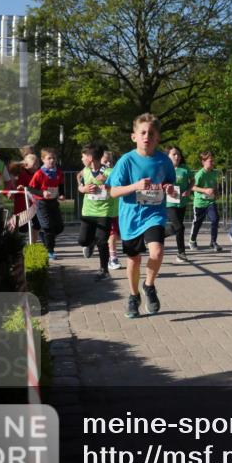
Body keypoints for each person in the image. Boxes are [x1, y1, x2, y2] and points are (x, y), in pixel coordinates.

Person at [107, 113, 177, 319]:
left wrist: (170, 188)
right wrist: (135, 186)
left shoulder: (164, 161)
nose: (147, 136)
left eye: (151, 133)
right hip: (131, 217)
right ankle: (133, 295)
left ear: (157, 138)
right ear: (134, 136)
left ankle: (149, 285)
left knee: (157, 251)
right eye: (143, 132)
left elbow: (170, 185)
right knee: (134, 259)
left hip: (154, 214)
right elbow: (112, 191)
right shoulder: (126, 161)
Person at [77, 144, 114, 280]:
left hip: (104, 212)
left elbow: (119, 186)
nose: (82, 159)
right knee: (83, 240)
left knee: (102, 241)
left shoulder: (109, 172)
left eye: (83, 157)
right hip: (88, 211)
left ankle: (104, 270)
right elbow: (78, 177)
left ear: (90, 157)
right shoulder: (86, 170)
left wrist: (108, 184)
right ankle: (90, 243)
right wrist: (82, 188)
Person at [27, 148, 66, 261]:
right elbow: (31, 188)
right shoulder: (39, 173)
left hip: (53, 202)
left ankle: (44, 235)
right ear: (43, 159)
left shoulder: (58, 172)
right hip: (42, 203)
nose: (52, 160)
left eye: (54, 158)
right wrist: (42, 193)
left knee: (59, 227)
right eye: (49, 158)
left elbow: (61, 185)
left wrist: (62, 194)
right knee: (48, 228)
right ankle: (50, 251)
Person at [166, 146, 194, 263]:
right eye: (174, 154)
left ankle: (155, 236)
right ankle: (181, 253)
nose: (177, 156)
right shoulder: (165, 168)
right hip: (169, 203)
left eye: (178, 154)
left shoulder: (185, 169)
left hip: (182, 203)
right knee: (179, 227)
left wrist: (188, 190)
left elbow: (193, 180)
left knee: (176, 228)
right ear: (168, 156)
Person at [190, 151, 221, 252]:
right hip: (200, 203)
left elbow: (214, 184)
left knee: (215, 219)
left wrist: (216, 193)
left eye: (213, 161)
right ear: (203, 162)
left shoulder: (214, 173)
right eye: (210, 161)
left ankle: (213, 242)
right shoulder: (200, 174)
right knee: (197, 223)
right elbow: (193, 187)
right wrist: (205, 190)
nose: (212, 163)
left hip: (210, 202)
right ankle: (192, 240)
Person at [102, 149, 123, 270]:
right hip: (100, 210)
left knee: (114, 234)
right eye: (105, 161)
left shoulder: (114, 172)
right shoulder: (91, 171)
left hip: (114, 210)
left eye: (110, 161)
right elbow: (80, 176)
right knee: (107, 235)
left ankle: (112, 258)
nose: (108, 164)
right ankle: (112, 258)